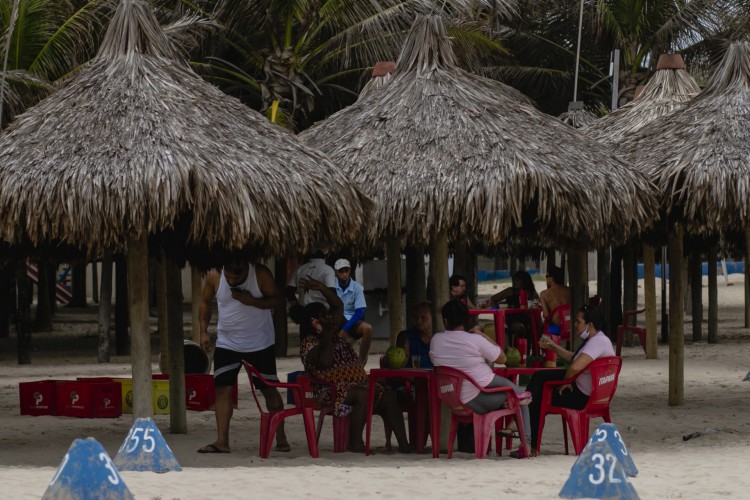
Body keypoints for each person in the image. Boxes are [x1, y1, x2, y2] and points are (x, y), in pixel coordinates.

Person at [294, 278, 410, 453]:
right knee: (363, 395)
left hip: (357, 385)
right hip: (332, 391)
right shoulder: (309, 343)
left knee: (389, 396)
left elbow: (338, 306)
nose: (330, 318)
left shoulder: (333, 334)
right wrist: (325, 334)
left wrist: (323, 289)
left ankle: (404, 445)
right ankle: (355, 442)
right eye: (324, 316)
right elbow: (325, 361)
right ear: (314, 322)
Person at [197, 260, 288, 454]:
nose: (232, 281)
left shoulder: (260, 274)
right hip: (227, 342)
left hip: (260, 343)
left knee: (269, 389)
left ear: (246, 268)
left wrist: (252, 301)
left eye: (237, 278)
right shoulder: (214, 274)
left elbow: (277, 301)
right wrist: (203, 331)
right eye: (229, 277)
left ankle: (281, 437)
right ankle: (222, 441)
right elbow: (205, 302)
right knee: (222, 389)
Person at [429, 300, 533, 458]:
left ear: (445, 321)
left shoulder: (436, 340)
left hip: (451, 399)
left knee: (515, 394)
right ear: (466, 320)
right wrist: (482, 335)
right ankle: (527, 444)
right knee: (519, 395)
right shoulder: (475, 340)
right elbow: (503, 358)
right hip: (476, 399)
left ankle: (514, 414)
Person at [526, 306, 615, 455]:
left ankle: (530, 442)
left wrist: (567, 381)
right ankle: (522, 422)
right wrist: (553, 347)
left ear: (590, 325)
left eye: (578, 321)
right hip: (591, 393)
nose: (575, 325)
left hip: (582, 397)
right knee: (540, 377)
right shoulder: (599, 340)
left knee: (538, 397)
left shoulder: (597, 342)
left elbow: (574, 368)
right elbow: (574, 359)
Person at [333, 258, 372, 364]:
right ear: (336, 272)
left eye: (346, 270)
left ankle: (361, 361)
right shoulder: (331, 286)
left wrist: (345, 328)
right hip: (336, 319)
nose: (344, 274)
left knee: (368, 328)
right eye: (341, 271)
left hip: (352, 320)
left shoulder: (357, 287)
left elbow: (360, 312)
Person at [485, 270, 540, 346]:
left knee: (538, 326)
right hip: (512, 319)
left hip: (527, 318)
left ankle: (532, 351)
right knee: (519, 327)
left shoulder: (532, 293)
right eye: (514, 280)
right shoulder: (510, 291)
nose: (515, 282)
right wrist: (499, 312)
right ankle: (517, 350)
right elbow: (493, 299)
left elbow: (536, 306)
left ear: (524, 281)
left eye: (517, 280)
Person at [395, 302, 434, 368]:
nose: (418, 321)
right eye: (416, 317)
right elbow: (400, 365)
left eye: (423, 317)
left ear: (433, 317)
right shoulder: (406, 337)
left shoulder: (441, 337)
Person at [539, 265, 570, 335]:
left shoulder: (544, 294)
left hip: (557, 329)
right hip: (571, 327)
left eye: (547, 276)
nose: (546, 278)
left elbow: (546, 315)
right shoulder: (569, 290)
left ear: (551, 278)